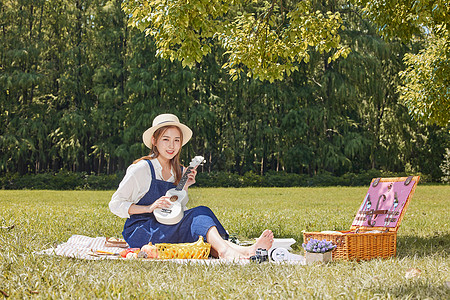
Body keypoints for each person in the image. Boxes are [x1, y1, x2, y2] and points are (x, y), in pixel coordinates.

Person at [109, 113, 273, 259]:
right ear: (154, 141)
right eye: (165, 139)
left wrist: (185, 186)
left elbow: (175, 210)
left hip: (167, 227)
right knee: (200, 213)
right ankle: (228, 252)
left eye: (176, 140)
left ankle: (245, 251)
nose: (171, 146)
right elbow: (115, 204)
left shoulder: (179, 170)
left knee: (200, 227)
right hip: (143, 231)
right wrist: (149, 207)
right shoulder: (142, 169)